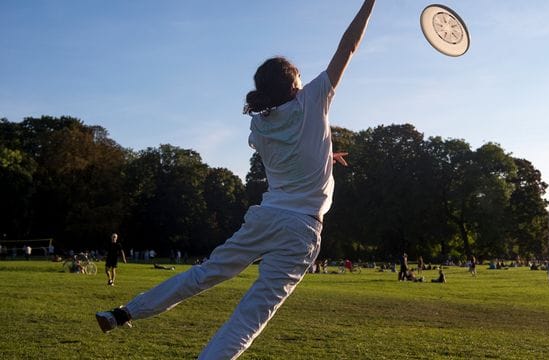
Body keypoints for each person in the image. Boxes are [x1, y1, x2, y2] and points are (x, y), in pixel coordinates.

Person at [95, 2, 376, 359]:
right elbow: (348, 46)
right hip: (300, 229)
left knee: (203, 275)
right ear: (294, 86)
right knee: (249, 316)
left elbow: (290, 150)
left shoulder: (259, 125)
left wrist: (326, 155)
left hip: (266, 217)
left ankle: (122, 313)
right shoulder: (312, 100)